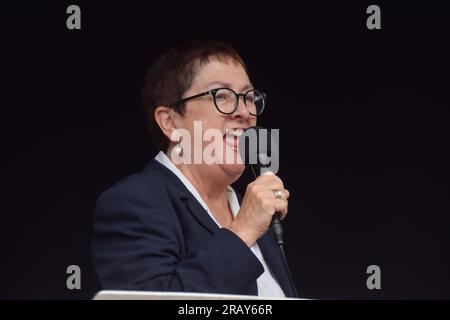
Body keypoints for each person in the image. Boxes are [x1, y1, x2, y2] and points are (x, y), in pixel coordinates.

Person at [92, 40, 296, 297]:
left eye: (249, 97)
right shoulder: (131, 202)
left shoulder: (250, 209)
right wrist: (243, 231)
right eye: (221, 95)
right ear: (170, 122)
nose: (245, 112)